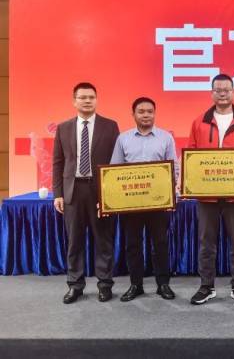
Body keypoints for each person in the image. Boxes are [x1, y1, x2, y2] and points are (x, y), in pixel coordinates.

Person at [188, 73, 234, 305]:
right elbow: (191, 156)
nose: (222, 93)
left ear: (233, 93)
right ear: (212, 93)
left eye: (226, 90)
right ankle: (206, 286)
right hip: (207, 195)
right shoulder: (199, 121)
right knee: (206, 243)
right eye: (218, 90)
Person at [52, 82, 119, 304]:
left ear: (96, 100)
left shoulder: (110, 126)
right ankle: (75, 285)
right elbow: (58, 163)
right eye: (82, 97)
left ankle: (105, 285)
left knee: (104, 239)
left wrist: (110, 194)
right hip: (73, 190)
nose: (87, 101)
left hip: (100, 191)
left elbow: (116, 162)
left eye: (91, 97)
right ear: (74, 101)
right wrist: (58, 194)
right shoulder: (63, 128)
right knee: (74, 241)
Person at [110, 97, 179, 302]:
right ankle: (136, 284)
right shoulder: (123, 138)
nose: (146, 115)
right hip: (131, 202)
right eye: (141, 111)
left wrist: (171, 194)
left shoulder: (166, 137)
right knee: (133, 244)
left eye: (150, 111)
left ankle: (163, 284)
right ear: (133, 115)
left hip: (158, 201)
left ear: (154, 114)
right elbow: (114, 170)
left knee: (160, 243)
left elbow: (174, 168)